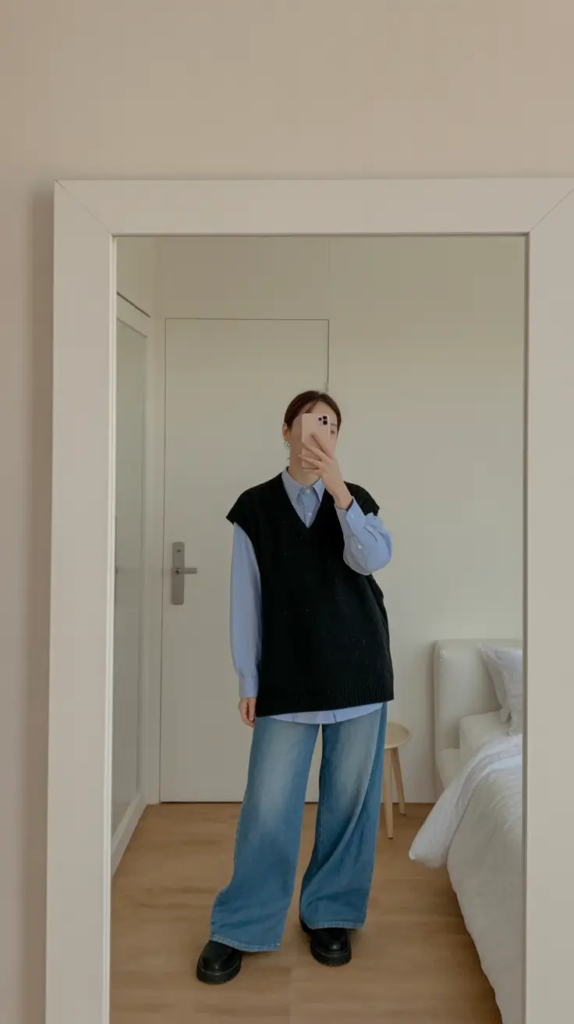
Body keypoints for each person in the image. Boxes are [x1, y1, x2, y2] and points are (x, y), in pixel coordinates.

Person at [196, 390, 394, 984]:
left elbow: (372, 559)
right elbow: (246, 596)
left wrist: (340, 493)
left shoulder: (355, 499)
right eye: (311, 420)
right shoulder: (254, 508)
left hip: (359, 672)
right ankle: (242, 923)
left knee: (349, 804)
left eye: (331, 423)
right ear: (287, 430)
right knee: (267, 807)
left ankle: (330, 913)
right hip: (287, 675)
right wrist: (249, 676)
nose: (320, 430)